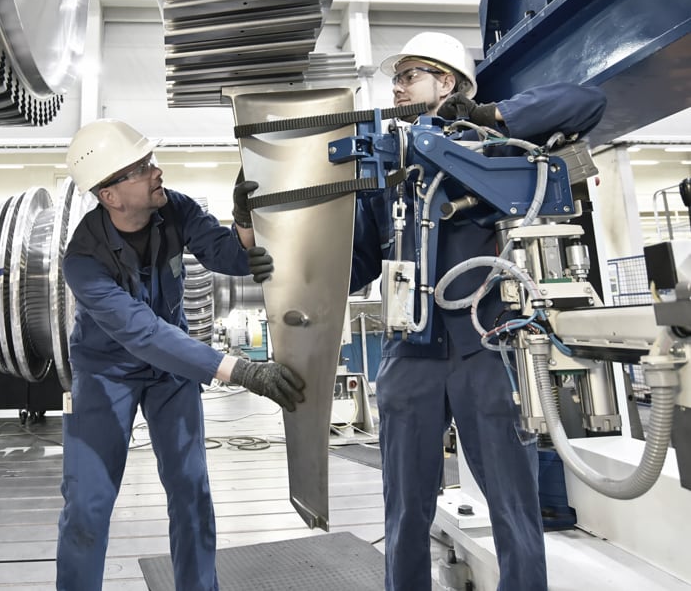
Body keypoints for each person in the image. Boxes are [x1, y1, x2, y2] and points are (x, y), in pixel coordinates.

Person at [351, 32, 607, 591]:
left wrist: (490, 116)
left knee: (515, 507)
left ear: (447, 82)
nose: (396, 87)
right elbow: (355, 266)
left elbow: (588, 102)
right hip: (408, 354)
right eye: (395, 78)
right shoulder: (386, 171)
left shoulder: (490, 152)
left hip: (481, 348)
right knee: (404, 513)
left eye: (411, 75)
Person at [56, 118, 305, 591]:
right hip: (107, 374)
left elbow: (227, 257)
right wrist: (242, 370)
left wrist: (247, 223)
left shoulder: (175, 209)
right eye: (141, 166)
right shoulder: (83, 261)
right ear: (110, 194)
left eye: (150, 160)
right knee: (87, 503)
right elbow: (143, 333)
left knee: (190, 489)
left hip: (170, 374)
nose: (156, 171)